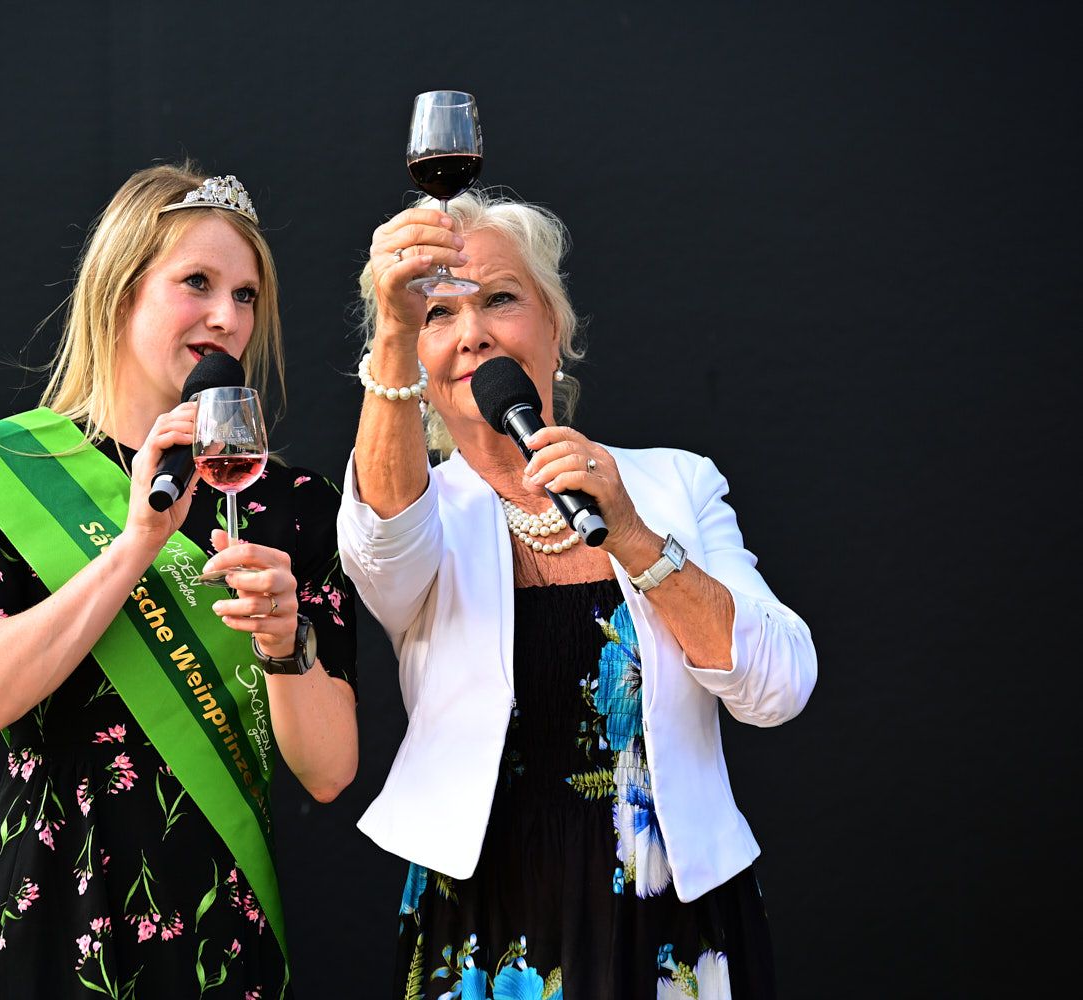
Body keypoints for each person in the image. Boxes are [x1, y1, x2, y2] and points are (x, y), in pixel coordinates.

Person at [337, 188, 816, 999]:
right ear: (414, 359)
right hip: (487, 924)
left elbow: (780, 687)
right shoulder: (418, 509)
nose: (473, 332)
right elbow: (380, 552)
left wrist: (631, 534)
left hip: (672, 914)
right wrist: (389, 327)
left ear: (554, 330)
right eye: (437, 314)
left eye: (500, 299)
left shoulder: (673, 483)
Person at [0, 164, 358, 999]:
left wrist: (284, 640)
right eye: (197, 283)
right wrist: (134, 546)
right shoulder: (2, 472)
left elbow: (331, 770)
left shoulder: (294, 502)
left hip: (217, 918)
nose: (228, 317)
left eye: (246, 294)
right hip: (49, 906)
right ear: (120, 289)